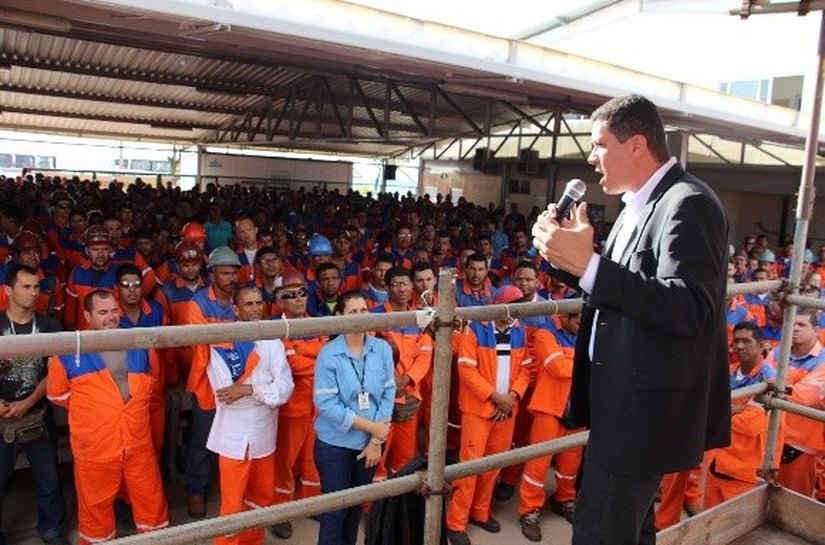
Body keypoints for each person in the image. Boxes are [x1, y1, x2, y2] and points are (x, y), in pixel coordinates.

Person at [532, 94, 730, 545]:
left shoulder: (688, 203)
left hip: (640, 416)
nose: (591, 157)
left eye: (599, 145)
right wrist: (564, 256)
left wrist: (589, 266)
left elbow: (690, 306)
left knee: (601, 532)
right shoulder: (636, 205)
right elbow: (619, 286)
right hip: (619, 403)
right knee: (630, 530)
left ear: (637, 145)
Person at [47, 289, 169, 544]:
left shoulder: (139, 342)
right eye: (103, 312)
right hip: (95, 446)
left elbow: (153, 381)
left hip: (137, 441)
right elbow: (57, 394)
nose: (111, 317)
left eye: (114, 311)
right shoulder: (68, 351)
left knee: (151, 503)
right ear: (87, 315)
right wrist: (97, 410)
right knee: (95, 510)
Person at [206, 286, 294, 545]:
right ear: (236, 309)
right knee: (232, 506)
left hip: (264, 438)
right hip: (232, 438)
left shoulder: (273, 341)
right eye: (249, 304)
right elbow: (225, 392)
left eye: (258, 303)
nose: (256, 309)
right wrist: (265, 388)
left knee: (261, 499)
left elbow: (285, 389)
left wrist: (249, 389)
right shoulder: (222, 341)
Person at [446, 285, 533, 545]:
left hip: (506, 411)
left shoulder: (519, 330)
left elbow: (526, 370)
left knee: (493, 466)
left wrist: (512, 397)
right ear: (497, 305)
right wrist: (497, 398)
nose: (515, 312)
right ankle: (455, 523)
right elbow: (466, 370)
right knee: (469, 468)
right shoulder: (474, 329)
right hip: (479, 411)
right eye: (512, 306)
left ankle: (480, 512)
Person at [313, 291, 396, 545]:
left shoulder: (381, 348)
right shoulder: (329, 354)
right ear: (339, 316)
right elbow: (327, 404)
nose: (360, 316)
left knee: (355, 508)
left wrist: (375, 440)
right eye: (353, 312)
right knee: (334, 511)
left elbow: (388, 392)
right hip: (335, 445)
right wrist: (374, 429)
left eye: (363, 310)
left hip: (371, 443)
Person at [0, 265, 68, 545]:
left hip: (37, 414)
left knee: (49, 478)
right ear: (8, 290)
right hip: (1, 417)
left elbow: (54, 372)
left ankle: (51, 529)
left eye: (36, 287)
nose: (33, 293)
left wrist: (27, 403)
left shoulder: (50, 326)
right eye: (26, 287)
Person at [185, 246, 241, 519]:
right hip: (206, 381)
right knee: (203, 439)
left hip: (240, 379)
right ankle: (196, 490)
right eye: (225, 273)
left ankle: (233, 488)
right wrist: (232, 341)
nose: (231, 278)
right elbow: (202, 345)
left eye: (234, 273)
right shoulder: (197, 303)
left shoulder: (242, 300)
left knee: (236, 436)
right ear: (212, 275)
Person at [271, 271, 327, 540]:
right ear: (279, 301)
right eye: (290, 295)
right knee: (284, 461)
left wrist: (302, 353)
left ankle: (311, 502)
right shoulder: (274, 328)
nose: (298, 299)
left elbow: (327, 357)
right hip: (291, 408)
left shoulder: (316, 322)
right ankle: (280, 511)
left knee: (313, 457)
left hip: (318, 405)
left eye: (302, 293)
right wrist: (314, 358)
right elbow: (291, 364)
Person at [704, 322, 781, 509]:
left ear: (761, 346)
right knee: (712, 521)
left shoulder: (770, 381)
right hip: (717, 465)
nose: (739, 346)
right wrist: (738, 409)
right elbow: (707, 406)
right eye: (736, 341)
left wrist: (718, 410)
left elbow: (749, 425)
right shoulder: (730, 371)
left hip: (744, 473)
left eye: (746, 341)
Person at [766, 309, 825, 496]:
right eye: (792, 324)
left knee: (794, 499)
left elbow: (806, 396)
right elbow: (762, 380)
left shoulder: (823, 360)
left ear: (816, 330)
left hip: (801, 444)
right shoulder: (777, 352)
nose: (795, 329)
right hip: (770, 436)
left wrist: (774, 385)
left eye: (801, 325)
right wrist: (789, 388)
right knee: (762, 491)